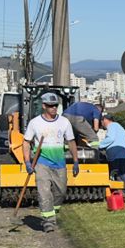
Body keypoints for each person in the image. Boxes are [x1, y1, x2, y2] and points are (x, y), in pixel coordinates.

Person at [23, 91, 80, 232]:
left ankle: (51, 211)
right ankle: (48, 220)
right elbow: (26, 142)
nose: (53, 108)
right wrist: (27, 162)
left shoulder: (64, 122)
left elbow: (71, 141)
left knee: (61, 191)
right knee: (44, 192)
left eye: (55, 105)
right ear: (44, 106)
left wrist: (76, 161)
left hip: (59, 163)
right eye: (50, 106)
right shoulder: (35, 123)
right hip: (42, 163)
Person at [96, 114, 125, 185]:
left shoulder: (112, 126)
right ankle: (122, 190)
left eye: (101, 122)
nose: (102, 125)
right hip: (123, 153)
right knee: (119, 173)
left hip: (118, 154)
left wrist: (99, 145)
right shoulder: (117, 126)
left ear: (105, 120)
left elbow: (110, 138)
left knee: (118, 173)